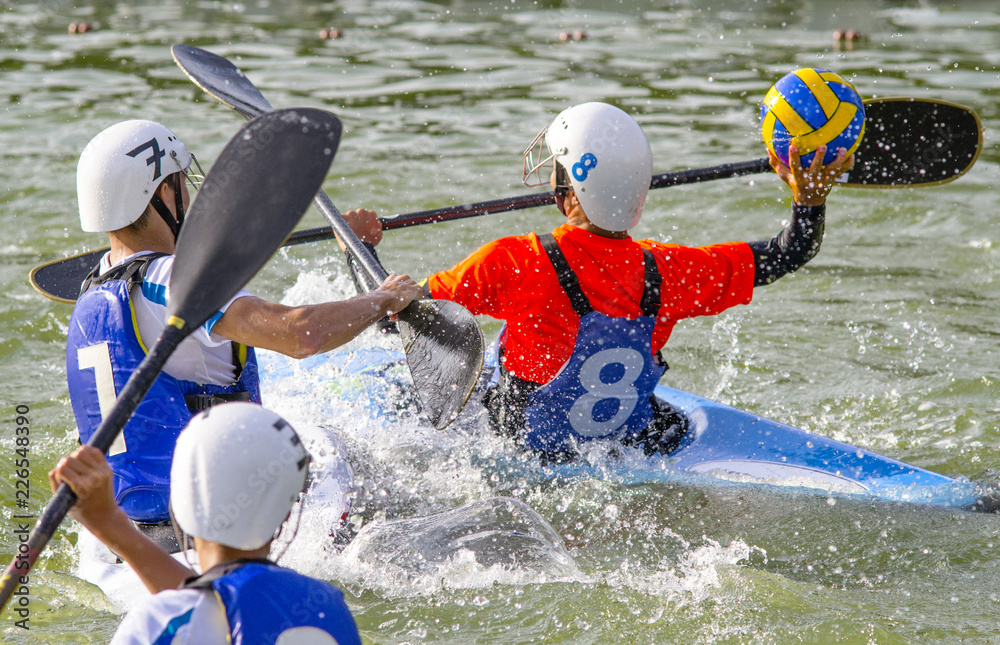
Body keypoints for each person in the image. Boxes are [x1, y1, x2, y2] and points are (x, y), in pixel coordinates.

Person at [359, 101, 854, 461]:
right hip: (622, 447)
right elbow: (786, 255)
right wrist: (808, 201)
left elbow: (395, 320)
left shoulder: (515, 261)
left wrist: (360, 249)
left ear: (567, 189)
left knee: (394, 390)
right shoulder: (671, 270)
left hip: (516, 452)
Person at [67, 119, 420, 535]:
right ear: (164, 193)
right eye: (180, 183)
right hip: (217, 520)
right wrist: (383, 298)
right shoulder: (177, 279)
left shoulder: (95, 290)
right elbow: (301, 334)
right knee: (337, 448)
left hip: (129, 529)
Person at [50, 402, 363, 644]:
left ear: (182, 500)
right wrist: (108, 525)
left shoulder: (158, 622)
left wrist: (108, 522)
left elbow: (203, 613)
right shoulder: (330, 609)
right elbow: (227, 605)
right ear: (286, 512)